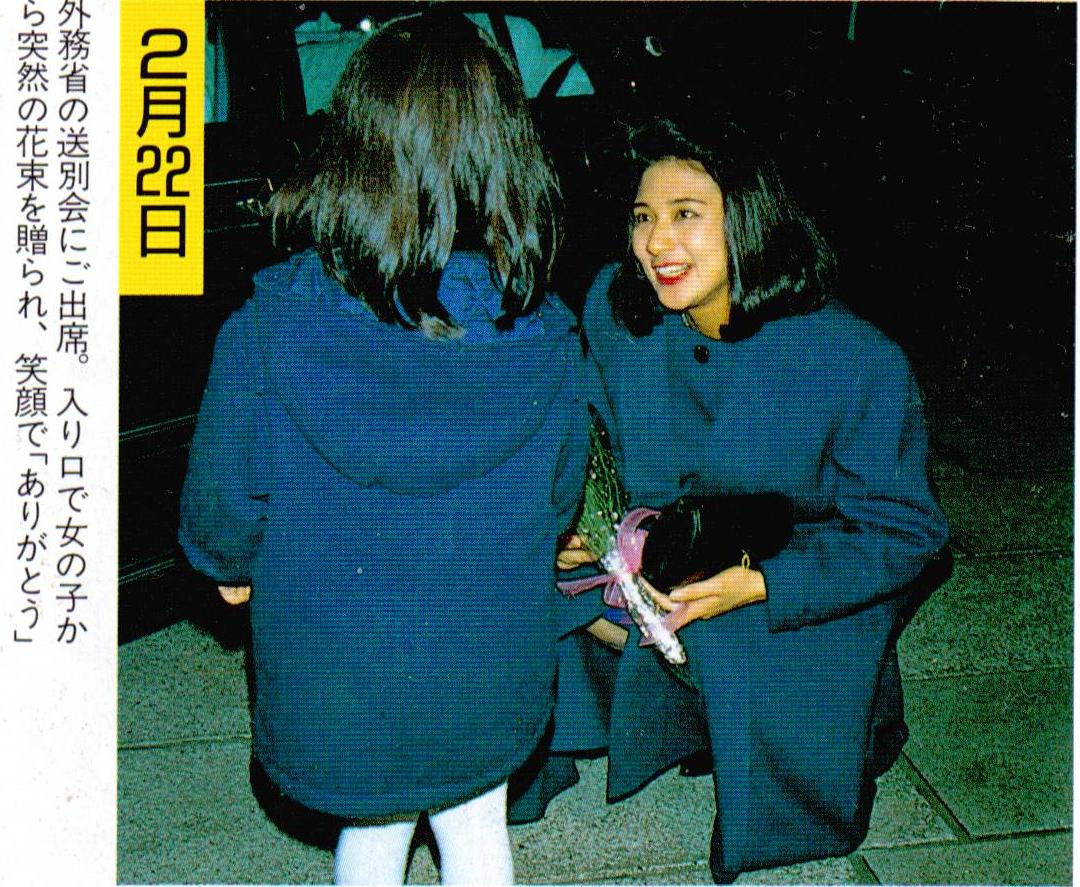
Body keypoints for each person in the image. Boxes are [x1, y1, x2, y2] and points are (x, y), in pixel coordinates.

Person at [178, 13, 587, 885]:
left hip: (341, 670)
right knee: (477, 823)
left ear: (346, 156)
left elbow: (222, 496)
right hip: (486, 657)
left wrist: (227, 563)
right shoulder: (548, 336)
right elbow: (561, 495)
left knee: (371, 825)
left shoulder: (266, 330)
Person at [530, 116, 950, 882]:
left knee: (747, 638)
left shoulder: (854, 360)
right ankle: (539, 749)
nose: (657, 243)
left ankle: (809, 734)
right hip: (650, 554)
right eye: (643, 217)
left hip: (788, 578)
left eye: (686, 214)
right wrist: (566, 523)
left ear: (749, 220)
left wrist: (760, 585)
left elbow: (908, 532)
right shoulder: (618, 316)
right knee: (496, 561)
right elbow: (581, 433)